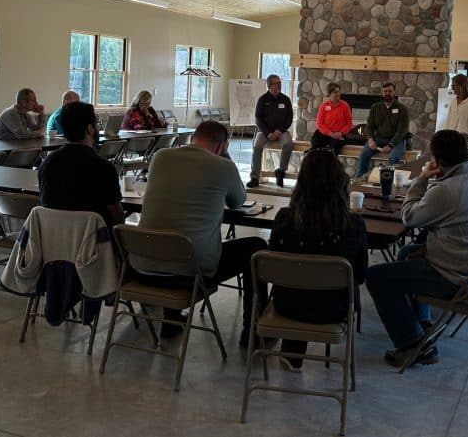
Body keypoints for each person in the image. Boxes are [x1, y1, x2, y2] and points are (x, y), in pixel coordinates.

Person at [365, 130, 468, 367]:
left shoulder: (447, 190)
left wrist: (422, 178)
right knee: (407, 253)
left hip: (459, 280)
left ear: (438, 161)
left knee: (376, 277)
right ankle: (423, 322)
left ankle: (413, 346)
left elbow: (409, 217)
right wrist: (430, 249)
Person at [137, 120, 267, 344]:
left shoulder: (161, 157)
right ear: (221, 146)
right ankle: (253, 333)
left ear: (193, 138)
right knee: (256, 248)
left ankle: (171, 321)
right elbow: (239, 202)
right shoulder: (223, 166)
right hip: (190, 274)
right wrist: (225, 159)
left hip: (142, 267)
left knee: (173, 233)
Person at [269, 148, 367, 372]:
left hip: (287, 306)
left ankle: (293, 350)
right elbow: (360, 276)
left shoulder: (284, 219)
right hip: (333, 310)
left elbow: (275, 266)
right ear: (340, 182)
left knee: (300, 276)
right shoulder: (353, 226)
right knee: (328, 282)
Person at [39, 101, 124, 230]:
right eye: (96, 124)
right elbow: (117, 217)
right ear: (90, 128)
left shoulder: (47, 164)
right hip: (95, 243)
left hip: (55, 241)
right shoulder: (103, 168)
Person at [247, 74, 294, 188]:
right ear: (269, 86)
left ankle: (281, 172)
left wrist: (279, 131)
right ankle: (254, 177)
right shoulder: (262, 100)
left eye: (280, 83)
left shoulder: (285, 99)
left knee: (288, 144)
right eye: (276, 83)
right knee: (257, 145)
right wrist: (268, 133)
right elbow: (258, 118)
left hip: (281, 132)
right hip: (265, 132)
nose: (279, 85)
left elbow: (289, 118)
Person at [356, 82, 409, 178]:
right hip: (378, 139)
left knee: (393, 158)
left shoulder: (402, 109)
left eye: (390, 91)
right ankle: (359, 179)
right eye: (385, 91)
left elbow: (402, 130)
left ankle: (389, 182)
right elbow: (369, 126)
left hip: (396, 141)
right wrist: (370, 140)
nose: (387, 93)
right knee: (364, 155)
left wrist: (390, 145)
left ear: (394, 92)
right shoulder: (375, 107)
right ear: (382, 92)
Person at [311, 82, 352, 154]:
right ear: (329, 94)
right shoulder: (324, 106)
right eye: (334, 92)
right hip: (326, 133)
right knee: (315, 142)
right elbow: (319, 124)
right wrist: (330, 133)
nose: (337, 94)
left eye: (338, 91)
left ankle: (331, 164)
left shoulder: (345, 105)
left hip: (339, 134)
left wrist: (340, 133)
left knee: (334, 147)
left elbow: (349, 123)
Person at [443, 74, 468, 143]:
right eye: (451, 86)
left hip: (465, 138)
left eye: (454, 86)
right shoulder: (453, 102)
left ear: (462, 86)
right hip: (451, 137)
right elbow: (448, 120)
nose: (452, 89)